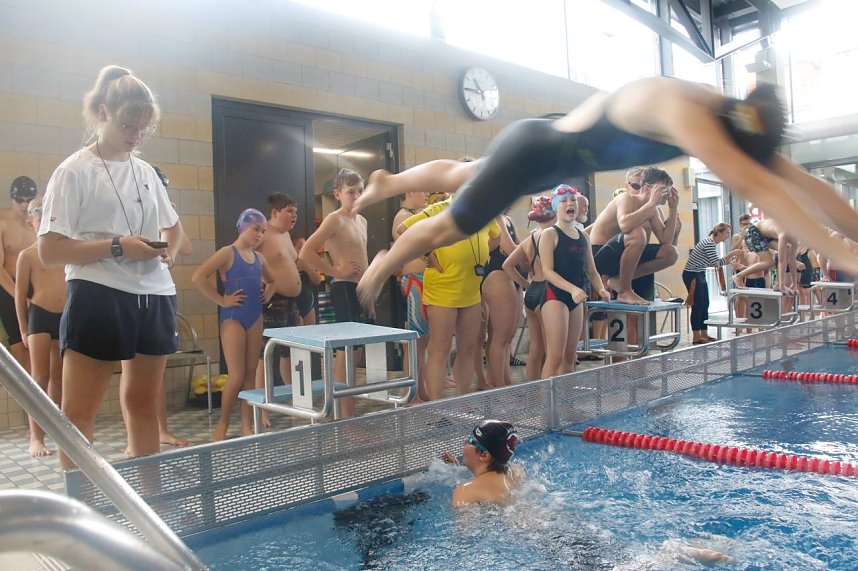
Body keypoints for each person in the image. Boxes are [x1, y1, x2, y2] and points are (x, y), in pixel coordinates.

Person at [354, 78, 858, 308]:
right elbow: (756, 184)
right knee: (449, 224)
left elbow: (804, 184)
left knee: (467, 173)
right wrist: (845, 256)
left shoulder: (731, 120)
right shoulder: (686, 112)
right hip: (534, 152)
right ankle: (382, 261)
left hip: (549, 144)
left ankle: (391, 182)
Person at [38, 65, 184, 467]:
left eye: (143, 129)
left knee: (144, 404)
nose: (136, 136)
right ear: (103, 112)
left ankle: (149, 505)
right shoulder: (74, 171)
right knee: (79, 413)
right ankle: (79, 512)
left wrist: (166, 251)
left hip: (154, 295)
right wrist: (118, 247)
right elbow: (50, 250)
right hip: (99, 294)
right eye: (127, 125)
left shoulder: (147, 173)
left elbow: (174, 228)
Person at [398, 196, 500, 399]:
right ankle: (437, 406)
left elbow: (496, 236)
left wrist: (483, 252)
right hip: (442, 287)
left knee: (469, 347)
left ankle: (461, 401)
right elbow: (403, 229)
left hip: (470, 289)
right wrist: (426, 252)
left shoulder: (484, 210)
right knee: (440, 347)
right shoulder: (439, 209)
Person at [192, 209, 275, 440]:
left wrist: (268, 293)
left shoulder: (260, 258)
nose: (259, 234)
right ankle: (223, 425)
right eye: (255, 229)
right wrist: (221, 300)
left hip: (254, 317)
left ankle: (246, 425)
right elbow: (198, 277)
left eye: (263, 231)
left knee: (250, 375)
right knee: (236, 375)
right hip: (232, 318)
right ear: (243, 227)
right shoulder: (227, 253)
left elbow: (273, 281)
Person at [301, 169, 370, 418]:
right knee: (347, 352)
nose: (357, 196)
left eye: (361, 191)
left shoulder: (362, 221)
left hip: (361, 290)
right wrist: (334, 270)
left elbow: (364, 258)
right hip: (343, 288)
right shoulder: (334, 219)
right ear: (338, 194)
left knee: (358, 351)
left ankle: (347, 412)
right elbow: (306, 252)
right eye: (352, 192)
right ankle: (346, 417)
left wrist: (369, 293)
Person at [539, 185, 610, 377]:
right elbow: (547, 271)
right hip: (555, 297)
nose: (569, 203)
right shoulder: (550, 234)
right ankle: (548, 405)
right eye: (563, 201)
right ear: (555, 207)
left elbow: (592, 271)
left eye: (572, 200)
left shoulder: (584, 237)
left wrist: (601, 290)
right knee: (555, 356)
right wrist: (572, 289)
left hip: (576, 299)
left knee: (570, 356)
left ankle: (565, 404)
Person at [14, 199, 64, 456]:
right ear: (30, 224)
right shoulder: (28, 255)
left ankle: (57, 430)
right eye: (39, 222)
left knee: (59, 379)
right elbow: (19, 295)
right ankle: (36, 437)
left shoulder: (65, 253)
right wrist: (23, 328)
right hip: (40, 317)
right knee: (39, 378)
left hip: (64, 318)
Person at [588, 167, 679, 305]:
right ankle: (624, 291)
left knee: (671, 252)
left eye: (669, 190)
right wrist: (651, 204)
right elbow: (625, 225)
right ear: (648, 189)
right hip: (600, 257)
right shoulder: (625, 198)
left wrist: (673, 209)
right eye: (664, 190)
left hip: (626, 260)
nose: (667, 195)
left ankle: (619, 281)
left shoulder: (653, 210)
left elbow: (666, 241)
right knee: (637, 233)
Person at [254, 193, 303, 428]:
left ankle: (295, 402)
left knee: (290, 355)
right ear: (275, 212)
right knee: (266, 356)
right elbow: (245, 254)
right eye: (289, 211)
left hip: (293, 303)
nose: (294, 216)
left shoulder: (285, 236)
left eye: (295, 211)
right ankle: (262, 409)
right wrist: (264, 283)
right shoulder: (262, 232)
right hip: (272, 303)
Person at [503, 195, 555, 380]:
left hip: (533, 291)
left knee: (535, 348)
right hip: (549, 292)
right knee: (552, 350)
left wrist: (526, 285)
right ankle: (550, 394)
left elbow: (507, 265)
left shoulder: (531, 238)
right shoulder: (553, 236)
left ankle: (534, 390)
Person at [391, 191, 431, 401]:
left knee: (422, 341)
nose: (427, 195)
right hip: (415, 280)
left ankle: (419, 391)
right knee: (417, 341)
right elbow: (411, 246)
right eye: (423, 191)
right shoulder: (403, 217)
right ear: (409, 192)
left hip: (422, 279)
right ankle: (413, 394)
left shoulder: (413, 215)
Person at [440, 419, 524, 507]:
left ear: (484, 455)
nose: (464, 442)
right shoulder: (516, 473)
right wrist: (456, 469)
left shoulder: (464, 491)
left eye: (470, 441)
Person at [1, 176, 37, 371]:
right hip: (9, 287)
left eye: (28, 200)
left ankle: (45, 398)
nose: (24, 205)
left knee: (41, 345)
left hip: (35, 287)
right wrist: (19, 296)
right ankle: (28, 398)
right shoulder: (2, 222)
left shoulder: (36, 224)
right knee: (20, 347)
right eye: (19, 200)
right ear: (11, 198)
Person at [682, 223, 740, 344]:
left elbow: (709, 262)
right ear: (719, 232)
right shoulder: (709, 243)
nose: (728, 236)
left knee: (705, 303)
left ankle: (704, 332)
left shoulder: (710, 243)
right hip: (693, 274)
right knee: (698, 305)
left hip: (699, 273)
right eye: (727, 233)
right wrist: (729, 256)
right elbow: (716, 263)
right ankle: (696, 335)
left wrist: (727, 260)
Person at [292, 234, 321, 325]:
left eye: (304, 248)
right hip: (292, 303)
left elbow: (317, 281)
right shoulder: (286, 263)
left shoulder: (309, 262)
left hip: (307, 301)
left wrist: (306, 268)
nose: (302, 251)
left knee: (310, 332)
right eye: (300, 247)